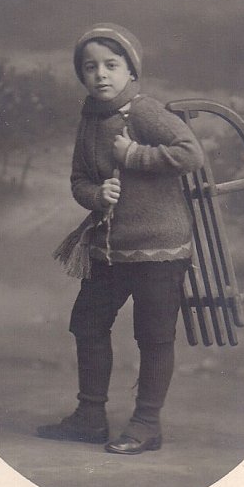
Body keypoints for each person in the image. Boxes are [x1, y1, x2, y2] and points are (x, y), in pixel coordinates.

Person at [37, 23, 204, 454]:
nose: (101, 75)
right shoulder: (90, 118)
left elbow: (190, 153)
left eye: (112, 65)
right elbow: (78, 178)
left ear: (131, 70)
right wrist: (96, 194)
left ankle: (147, 424)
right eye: (90, 67)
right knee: (88, 323)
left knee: (153, 335)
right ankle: (90, 418)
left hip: (158, 247)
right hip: (109, 245)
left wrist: (135, 156)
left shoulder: (143, 111)